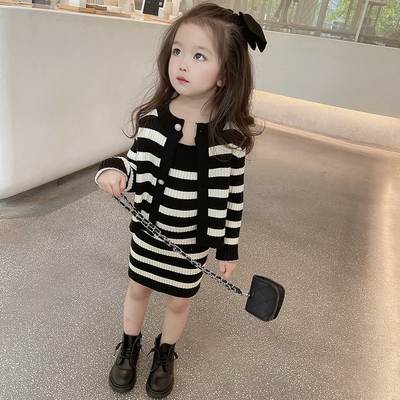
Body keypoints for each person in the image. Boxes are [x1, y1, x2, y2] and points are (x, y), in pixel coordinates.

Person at [95, 3, 266, 398]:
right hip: (149, 237)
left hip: (192, 245)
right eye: (177, 50)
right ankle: (129, 345)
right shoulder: (154, 120)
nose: (182, 63)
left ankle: (165, 352)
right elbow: (134, 164)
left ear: (225, 74)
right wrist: (113, 171)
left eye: (199, 55)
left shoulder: (230, 138)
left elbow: (233, 197)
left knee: (178, 303)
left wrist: (228, 247)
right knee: (137, 291)